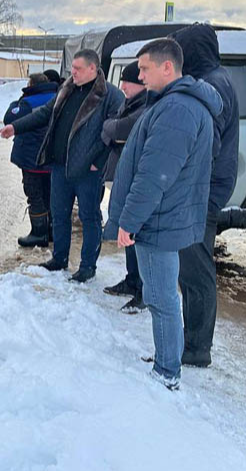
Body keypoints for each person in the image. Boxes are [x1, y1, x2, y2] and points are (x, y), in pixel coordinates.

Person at [104, 38, 222, 390]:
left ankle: (167, 371)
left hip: (158, 220)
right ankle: (166, 359)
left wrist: (129, 220)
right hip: (165, 216)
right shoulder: (178, 105)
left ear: (167, 67)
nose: (139, 75)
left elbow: (156, 174)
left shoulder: (177, 111)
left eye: (144, 68)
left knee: (161, 298)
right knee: (162, 296)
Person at [0, 49, 124, 282]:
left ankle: (87, 267)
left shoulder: (109, 95)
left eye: (78, 69)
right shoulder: (67, 89)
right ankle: (59, 258)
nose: (72, 72)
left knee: (89, 217)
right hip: (59, 166)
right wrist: (15, 127)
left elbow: (116, 133)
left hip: (87, 170)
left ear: (93, 69)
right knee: (60, 215)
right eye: (72, 68)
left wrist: (99, 163)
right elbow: (45, 113)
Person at [170, 23, 239, 368]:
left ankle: (196, 348)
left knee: (195, 270)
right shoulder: (218, 78)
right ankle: (193, 341)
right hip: (205, 188)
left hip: (200, 191)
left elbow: (203, 144)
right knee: (192, 268)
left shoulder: (211, 85)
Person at [100, 60, 149, 313]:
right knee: (127, 233)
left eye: (127, 82)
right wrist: (112, 130)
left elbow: (118, 128)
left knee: (137, 234)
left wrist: (112, 130)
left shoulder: (146, 105)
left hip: (136, 178)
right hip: (123, 175)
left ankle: (143, 291)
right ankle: (132, 281)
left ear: (140, 84)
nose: (122, 87)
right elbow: (109, 128)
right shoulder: (129, 103)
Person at [3, 72, 59, 247]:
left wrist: (20, 99)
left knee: (35, 196)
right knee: (50, 196)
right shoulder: (58, 98)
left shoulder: (28, 102)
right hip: (52, 158)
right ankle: (52, 231)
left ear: (32, 85)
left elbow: (9, 118)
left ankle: (38, 233)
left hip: (31, 159)